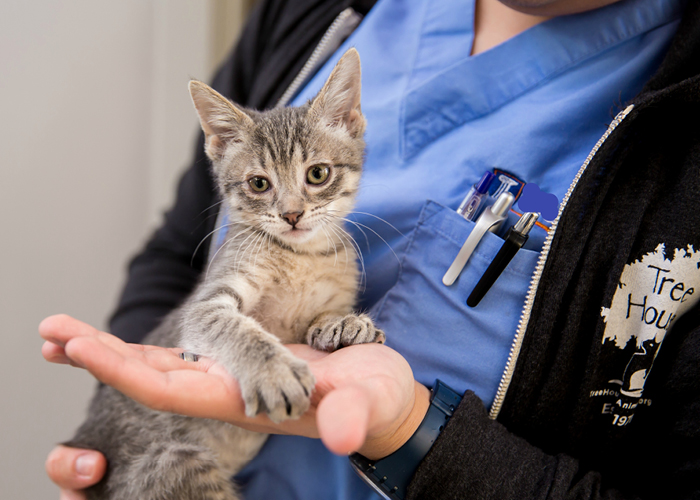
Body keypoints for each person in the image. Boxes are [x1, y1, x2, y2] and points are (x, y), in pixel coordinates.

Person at [42, 0, 700, 498]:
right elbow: (176, 254)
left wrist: (414, 430)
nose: (294, 207)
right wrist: (124, 430)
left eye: (316, 179)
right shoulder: (313, 13)